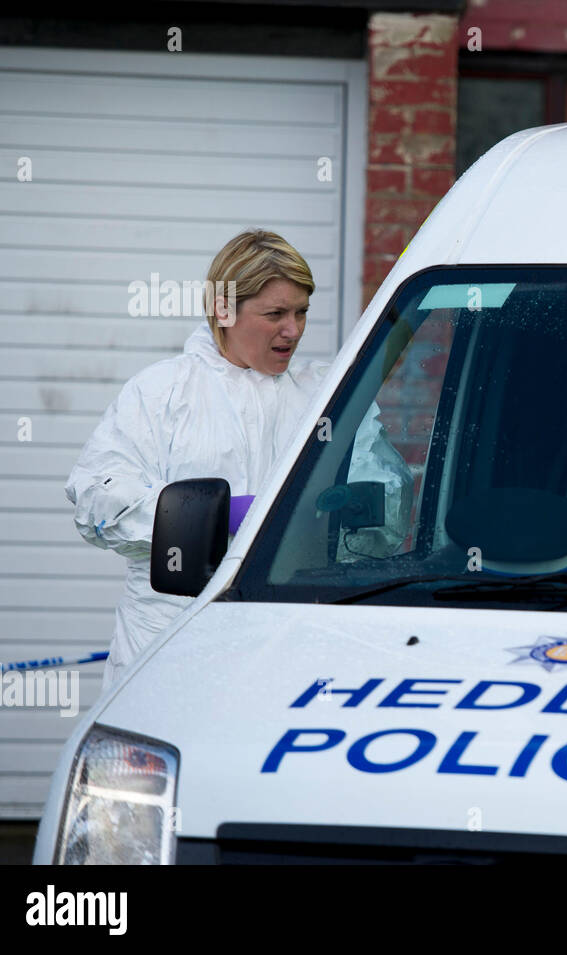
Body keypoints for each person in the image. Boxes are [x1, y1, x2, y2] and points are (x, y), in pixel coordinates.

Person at [66, 230, 410, 690]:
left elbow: (390, 508)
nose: (294, 329)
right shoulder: (162, 393)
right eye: (275, 314)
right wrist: (211, 517)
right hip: (168, 645)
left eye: (302, 311)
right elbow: (97, 502)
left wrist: (352, 512)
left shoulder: (327, 397)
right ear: (223, 310)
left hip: (290, 638)